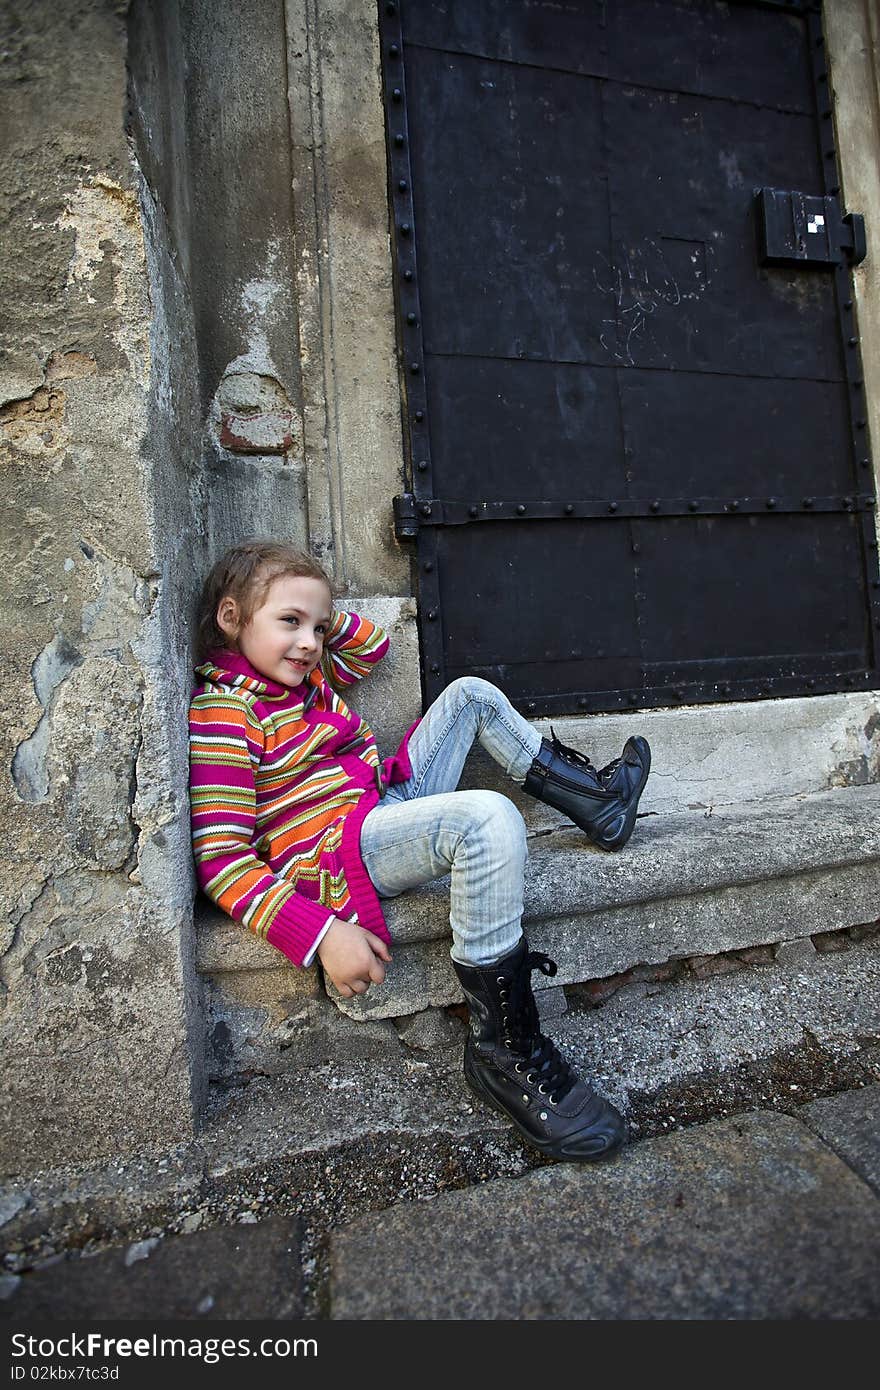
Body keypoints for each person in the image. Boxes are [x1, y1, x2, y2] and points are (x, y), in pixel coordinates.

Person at [189, 539, 651, 1162]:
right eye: (289, 623)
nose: (309, 642)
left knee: (469, 694)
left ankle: (596, 803)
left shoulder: (304, 674)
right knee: (485, 820)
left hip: (381, 802)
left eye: (317, 628)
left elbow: (373, 645)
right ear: (231, 619)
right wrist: (323, 934)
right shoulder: (225, 712)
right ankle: (504, 1051)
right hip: (337, 850)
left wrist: (316, 610)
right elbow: (222, 860)